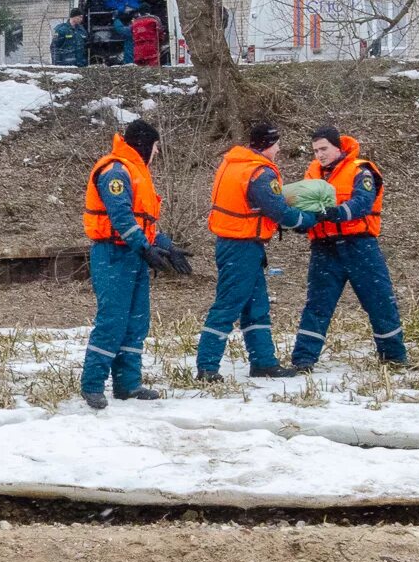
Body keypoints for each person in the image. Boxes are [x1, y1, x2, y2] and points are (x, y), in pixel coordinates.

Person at [80, 120, 192, 409]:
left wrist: (168, 248)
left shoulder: (136, 171)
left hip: (133, 255)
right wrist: (145, 249)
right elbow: (121, 217)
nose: (157, 153)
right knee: (112, 321)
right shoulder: (115, 171)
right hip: (113, 255)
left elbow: (147, 225)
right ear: (144, 145)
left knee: (136, 322)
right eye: (156, 147)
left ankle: (128, 384)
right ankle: (92, 384)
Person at [195, 121, 319, 381]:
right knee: (228, 306)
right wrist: (308, 220)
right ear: (268, 145)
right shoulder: (259, 173)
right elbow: (278, 210)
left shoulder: (233, 163)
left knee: (256, 306)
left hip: (239, 243)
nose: (278, 149)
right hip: (241, 246)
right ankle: (207, 367)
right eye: (276, 144)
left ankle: (263, 362)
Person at [290, 127, 406, 371]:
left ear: (338, 147)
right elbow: (304, 206)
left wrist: (334, 213)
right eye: (315, 151)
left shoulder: (360, 170)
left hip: (359, 245)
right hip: (324, 247)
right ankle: (303, 360)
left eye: (324, 149)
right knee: (317, 305)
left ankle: (394, 357)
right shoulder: (312, 174)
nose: (319, 155)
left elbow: (362, 203)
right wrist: (299, 222)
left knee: (379, 301)